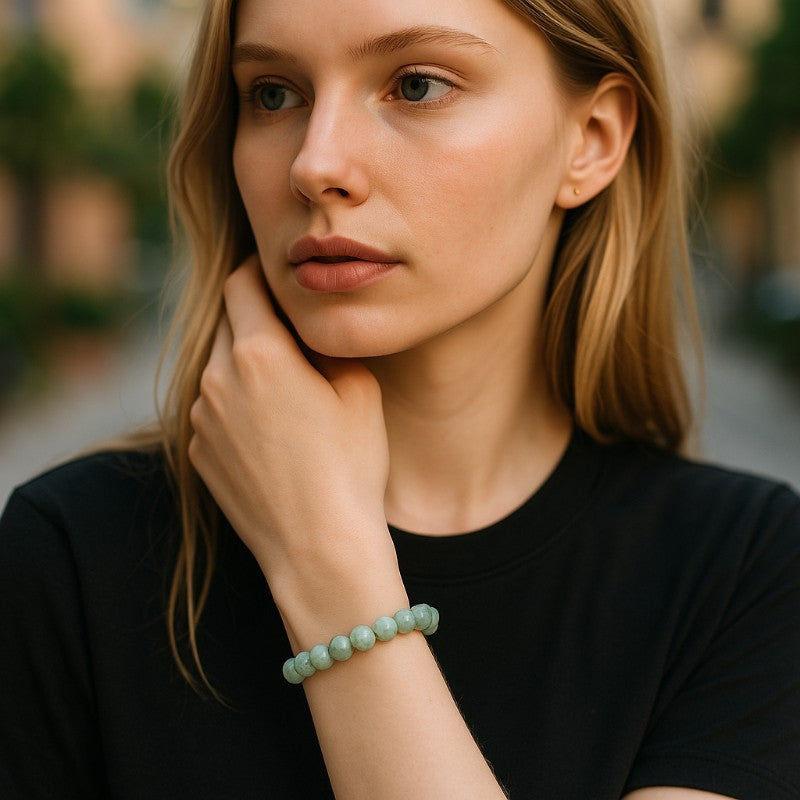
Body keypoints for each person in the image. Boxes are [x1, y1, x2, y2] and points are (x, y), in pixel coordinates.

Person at [1, 0, 799, 797]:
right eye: (273, 94)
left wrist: (327, 565)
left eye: (416, 85)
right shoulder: (69, 557)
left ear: (591, 141)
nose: (315, 164)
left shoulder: (747, 576)